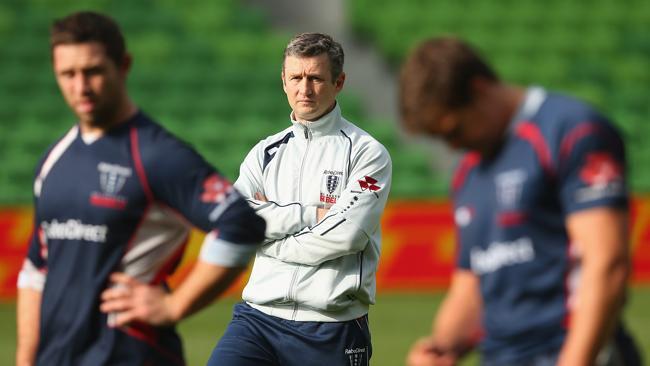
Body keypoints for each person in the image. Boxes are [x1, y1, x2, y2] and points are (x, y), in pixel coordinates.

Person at [16, 11, 265, 366]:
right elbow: (36, 270)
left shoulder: (158, 155)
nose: (80, 87)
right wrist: (26, 358)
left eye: (93, 71)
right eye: (67, 74)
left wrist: (173, 305)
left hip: (131, 354)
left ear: (124, 65)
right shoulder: (53, 160)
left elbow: (242, 224)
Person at [400, 37, 642, 366]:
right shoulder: (467, 173)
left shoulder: (571, 130)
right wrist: (441, 348)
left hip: (567, 351)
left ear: (480, 89)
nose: (453, 146)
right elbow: (472, 282)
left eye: (453, 131)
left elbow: (607, 263)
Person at [206, 32, 392, 366]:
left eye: (316, 78)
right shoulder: (264, 152)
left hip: (331, 326)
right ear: (283, 81)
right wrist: (311, 215)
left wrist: (267, 241)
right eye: (296, 77)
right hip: (257, 319)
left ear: (339, 82)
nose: (304, 89)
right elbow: (235, 219)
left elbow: (345, 236)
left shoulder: (367, 154)